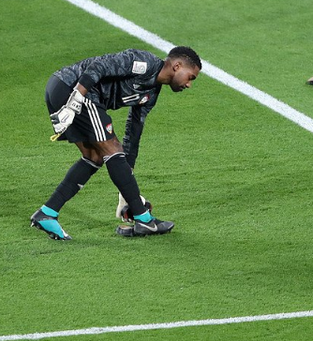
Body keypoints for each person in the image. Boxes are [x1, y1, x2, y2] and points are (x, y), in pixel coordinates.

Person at [31, 46, 202, 240]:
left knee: (94, 157)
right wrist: (75, 99)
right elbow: (100, 66)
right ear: (177, 66)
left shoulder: (151, 94)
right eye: (191, 77)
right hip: (73, 89)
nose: (189, 85)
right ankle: (144, 219)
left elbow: (133, 133)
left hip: (74, 93)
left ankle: (48, 213)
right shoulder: (144, 63)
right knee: (111, 148)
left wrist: (126, 191)